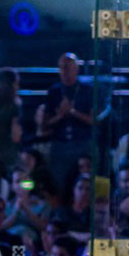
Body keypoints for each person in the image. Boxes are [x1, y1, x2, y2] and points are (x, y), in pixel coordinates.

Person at [35, 53, 94, 187]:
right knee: (59, 184)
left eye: (67, 67)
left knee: (86, 185)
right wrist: (60, 116)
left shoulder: (87, 90)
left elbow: (94, 120)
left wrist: (73, 112)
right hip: (59, 145)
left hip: (83, 144)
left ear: (76, 68)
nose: (63, 71)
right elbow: (44, 125)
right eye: (61, 68)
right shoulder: (54, 91)